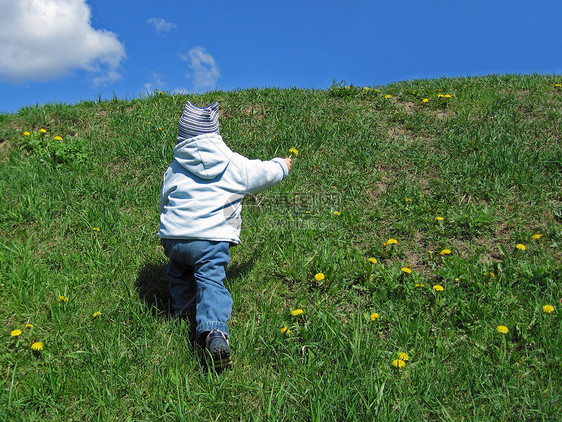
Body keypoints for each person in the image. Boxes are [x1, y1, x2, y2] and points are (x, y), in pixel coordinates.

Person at [158, 101, 291, 371]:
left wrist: (171, 228)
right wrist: (282, 165)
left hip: (174, 237)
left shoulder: (174, 168)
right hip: (210, 240)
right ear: (215, 134)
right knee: (211, 282)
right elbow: (262, 174)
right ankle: (214, 331)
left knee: (178, 273)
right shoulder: (232, 164)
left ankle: (184, 312)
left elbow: (164, 200)